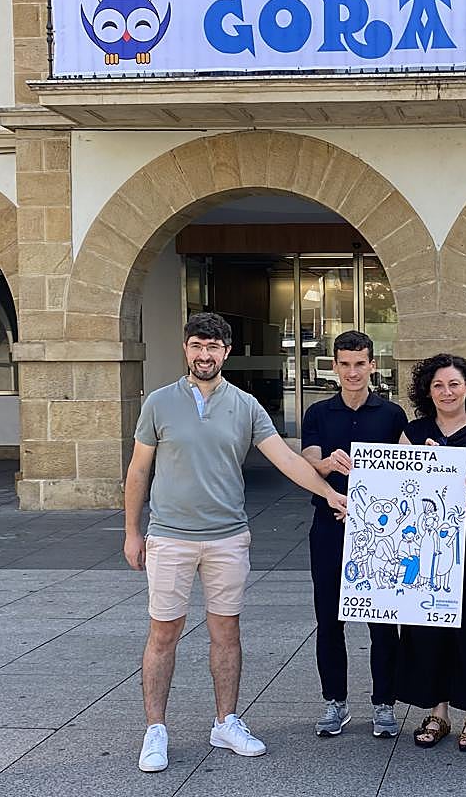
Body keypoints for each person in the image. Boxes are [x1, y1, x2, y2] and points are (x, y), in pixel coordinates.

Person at [123, 312, 347, 774]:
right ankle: (155, 730)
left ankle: (225, 722)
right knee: (163, 633)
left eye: (213, 348)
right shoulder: (159, 404)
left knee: (226, 633)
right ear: (186, 349)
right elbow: (139, 470)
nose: (204, 356)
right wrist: (132, 531)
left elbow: (285, 458)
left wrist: (328, 494)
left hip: (227, 539)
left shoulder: (245, 405)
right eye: (196, 346)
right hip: (169, 537)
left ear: (226, 352)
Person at [396, 354, 466, 752]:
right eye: (439, 385)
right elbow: (399, 491)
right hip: (430, 542)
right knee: (428, 624)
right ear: (428, 391)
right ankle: (436, 711)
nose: (447, 392)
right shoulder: (413, 432)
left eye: (454, 384)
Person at [301, 330, 408, 739]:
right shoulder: (318, 413)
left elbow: (410, 459)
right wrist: (327, 462)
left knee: (382, 620)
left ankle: (384, 704)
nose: (352, 372)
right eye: (344, 364)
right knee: (329, 618)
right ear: (334, 366)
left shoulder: (392, 414)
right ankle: (336, 702)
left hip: (379, 534)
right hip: (329, 525)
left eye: (359, 363)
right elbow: (309, 457)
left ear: (372, 365)